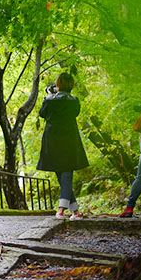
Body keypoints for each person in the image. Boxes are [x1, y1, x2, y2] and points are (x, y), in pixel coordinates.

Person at [36, 72, 89, 220]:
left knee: (63, 173)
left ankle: (60, 210)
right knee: (65, 172)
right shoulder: (74, 101)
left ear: (57, 84)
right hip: (69, 138)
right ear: (71, 85)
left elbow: (42, 114)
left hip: (52, 138)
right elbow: (76, 113)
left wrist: (49, 96)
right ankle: (75, 211)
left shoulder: (49, 100)